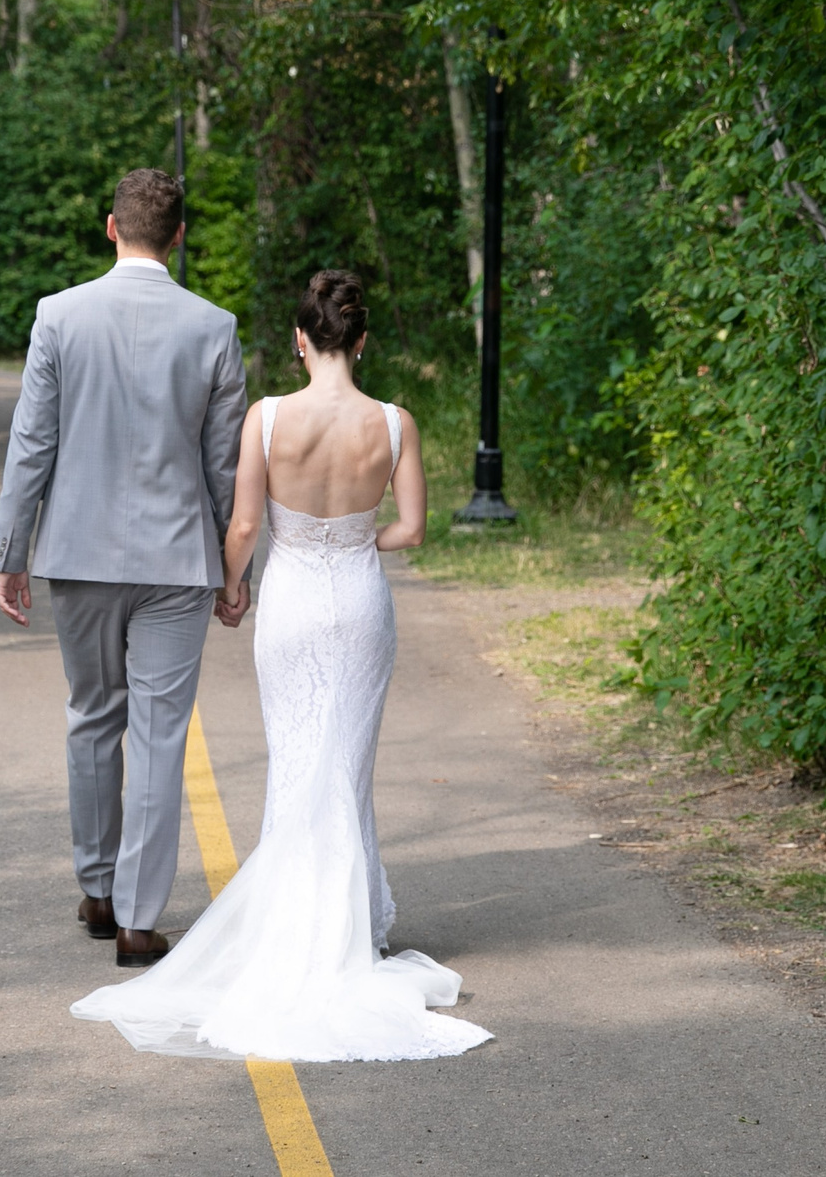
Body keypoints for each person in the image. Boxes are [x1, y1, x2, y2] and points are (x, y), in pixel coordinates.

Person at [70, 270, 491, 1061]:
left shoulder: (266, 419)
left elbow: (244, 522)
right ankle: (346, 932)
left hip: (292, 600)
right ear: (360, 341)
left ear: (301, 340)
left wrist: (234, 589)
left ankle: (297, 929)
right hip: (361, 602)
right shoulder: (395, 423)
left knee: (298, 764)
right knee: (347, 769)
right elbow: (412, 530)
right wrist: (356, 540)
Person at [0, 168, 248, 967]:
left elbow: (34, 440)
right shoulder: (214, 326)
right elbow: (226, 466)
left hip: (80, 553)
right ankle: (138, 918)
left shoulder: (59, 317)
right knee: (162, 736)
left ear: (111, 227)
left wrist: (10, 551)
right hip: (178, 560)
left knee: (93, 714)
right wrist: (237, 572)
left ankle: (97, 890)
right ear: (177, 238)